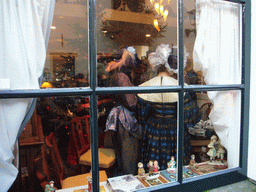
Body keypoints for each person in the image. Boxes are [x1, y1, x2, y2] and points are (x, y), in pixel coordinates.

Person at [137, 44, 200, 170]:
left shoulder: (144, 87)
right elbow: (191, 119)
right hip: (175, 130)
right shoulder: (182, 87)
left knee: (153, 166)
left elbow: (141, 117)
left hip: (153, 130)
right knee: (175, 167)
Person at [105, 46, 142, 175]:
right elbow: (131, 102)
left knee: (124, 153)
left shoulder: (118, 75)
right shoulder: (121, 77)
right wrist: (140, 98)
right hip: (125, 118)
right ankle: (128, 181)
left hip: (120, 115)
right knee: (128, 154)